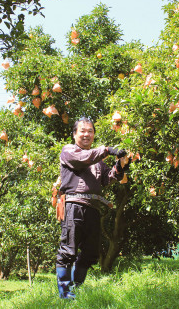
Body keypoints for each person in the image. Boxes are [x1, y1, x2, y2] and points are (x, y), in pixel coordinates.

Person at [55, 116, 129, 299]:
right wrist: (108, 150)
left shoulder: (98, 161)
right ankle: (64, 292)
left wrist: (120, 166)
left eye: (90, 131)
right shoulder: (69, 151)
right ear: (74, 134)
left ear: (94, 134)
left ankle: (76, 287)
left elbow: (107, 179)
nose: (86, 134)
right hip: (73, 206)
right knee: (68, 250)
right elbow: (83, 158)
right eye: (83, 131)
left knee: (90, 252)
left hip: (93, 209)